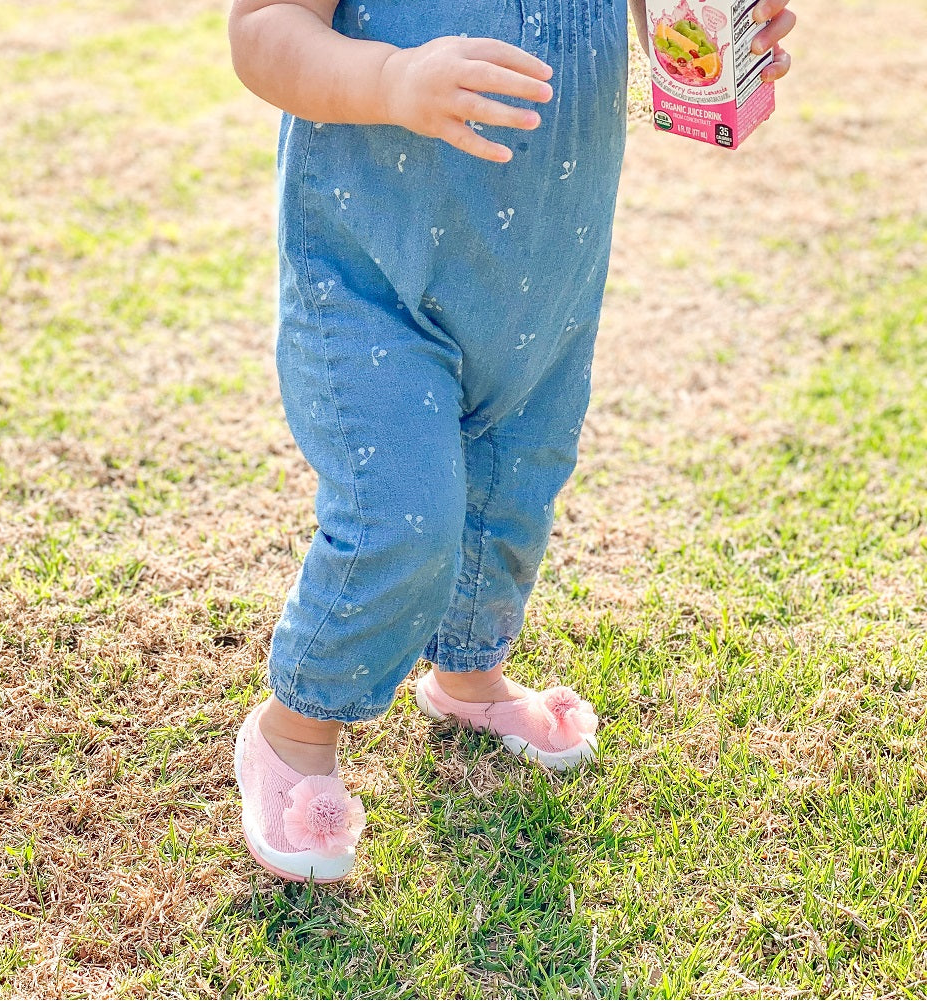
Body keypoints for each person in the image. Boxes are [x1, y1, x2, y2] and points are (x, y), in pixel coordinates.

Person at [227, 0, 796, 882]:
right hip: (375, 277)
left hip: (541, 276)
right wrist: (391, 76)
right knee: (403, 511)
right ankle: (294, 729)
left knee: (515, 483)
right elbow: (262, 31)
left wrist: (705, 40)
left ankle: (469, 676)